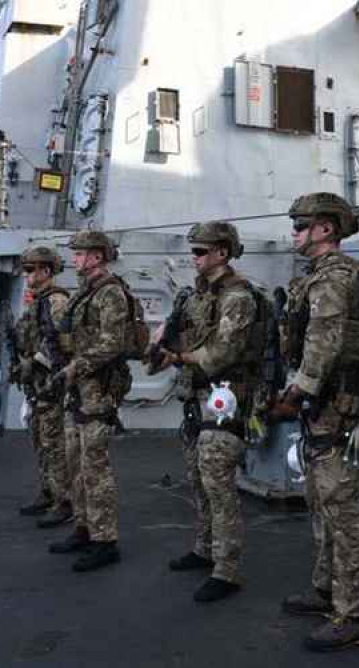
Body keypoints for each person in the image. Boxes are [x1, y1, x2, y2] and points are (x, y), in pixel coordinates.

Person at [278, 192, 359, 652]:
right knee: (320, 502)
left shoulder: (333, 279)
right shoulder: (320, 277)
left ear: (325, 229)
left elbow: (323, 343)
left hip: (335, 407)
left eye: (301, 224)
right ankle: (325, 591)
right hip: (323, 408)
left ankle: (354, 615)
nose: (294, 232)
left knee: (344, 512)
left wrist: (296, 391)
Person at [153, 221, 265, 603]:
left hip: (224, 398)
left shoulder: (238, 297)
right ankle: (204, 548)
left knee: (219, 486)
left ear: (222, 252)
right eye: (194, 251)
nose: (194, 257)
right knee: (198, 480)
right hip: (195, 398)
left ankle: (227, 568)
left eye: (201, 251)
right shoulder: (195, 297)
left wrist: (178, 357)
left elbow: (222, 354)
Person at [47, 231, 132, 572]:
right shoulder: (85, 292)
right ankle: (83, 528)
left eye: (81, 254)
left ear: (97, 257)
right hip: (78, 390)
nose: (75, 259)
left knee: (96, 468)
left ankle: (105, 540)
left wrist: (75, 367)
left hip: (98, 389)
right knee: (76, 464)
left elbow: (112, 343)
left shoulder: (111, 293)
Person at [12, 246, 73, 527]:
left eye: (30, 270)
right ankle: (49, 491)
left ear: (46, 271)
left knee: (54, 445)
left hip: (52, 385)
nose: (26, 275)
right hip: (37, 386)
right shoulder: (37, 302)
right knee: (41, 443)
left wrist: (34, 363)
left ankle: (64, 501)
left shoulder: (56, 301)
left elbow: (63, 346)